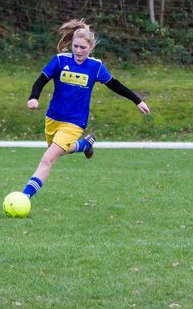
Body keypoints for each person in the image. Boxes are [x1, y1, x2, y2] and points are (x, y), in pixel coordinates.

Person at [19, 19, 150, 200]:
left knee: (47, 159)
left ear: (91, 48)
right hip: (52, 118)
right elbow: (41, 79)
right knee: (57, 149)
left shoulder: (95, 67)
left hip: (75, 122)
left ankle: (24, 197)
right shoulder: (60, 60)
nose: (78, 51)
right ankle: (85, 145)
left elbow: (114, 84)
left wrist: (137, 101)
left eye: (83, 47)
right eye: (75, 46)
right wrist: (33, 97)